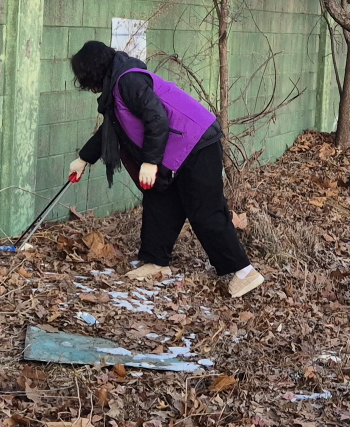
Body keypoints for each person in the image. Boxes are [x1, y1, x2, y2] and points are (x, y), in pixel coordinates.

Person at [67, 40, 263, 298]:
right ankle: (156, 261)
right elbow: (112, 128)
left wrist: (149, 162)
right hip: (176, 148)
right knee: (161, 199)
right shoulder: (117, 84)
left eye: (82, 75)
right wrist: (83, 159)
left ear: (92, 70)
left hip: (197, 142)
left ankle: (244, 271)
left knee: (204, 210)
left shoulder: (128, 81)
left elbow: (157, 118)